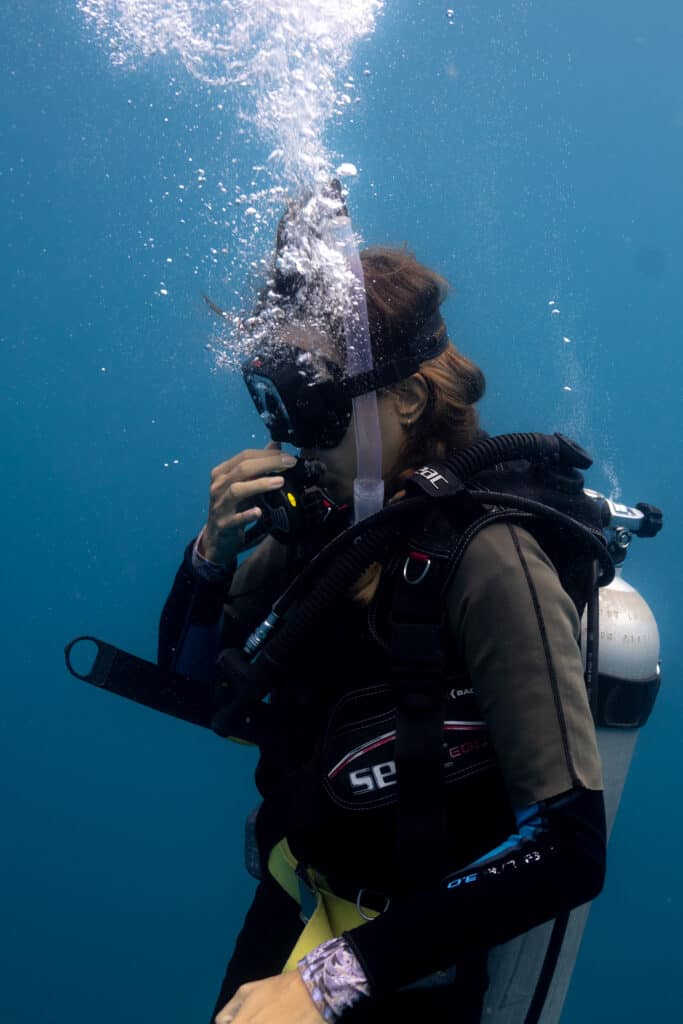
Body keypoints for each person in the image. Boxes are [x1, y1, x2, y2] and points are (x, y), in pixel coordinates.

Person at [158, 241, 606, 1024]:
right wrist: (208, 559)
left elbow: (567, 849)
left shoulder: (489, 558)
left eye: (315, 406)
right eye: (274, 403)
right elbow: (196, 687)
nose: (290, 438)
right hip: (291, 920)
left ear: (404, 399)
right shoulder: (323, 528)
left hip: (406, 973)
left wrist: (325, 984)